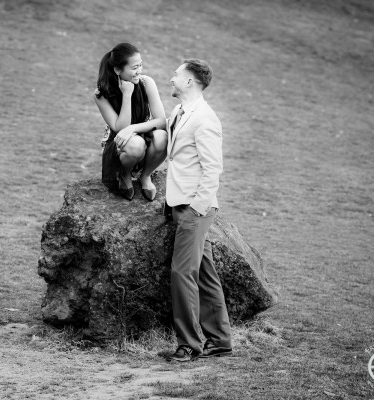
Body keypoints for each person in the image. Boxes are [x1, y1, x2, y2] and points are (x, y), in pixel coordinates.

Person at [165, 59, 232, 362]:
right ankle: (219, 341)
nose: (172, 78)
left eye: (177, 74)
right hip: (179, 204)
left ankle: (189, 344)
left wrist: (196, 207)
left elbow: (212, 169)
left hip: (194, 208)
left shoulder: (205, 118)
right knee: (204, 274)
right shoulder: (179, 112)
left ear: (190, 81)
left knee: (182, 273)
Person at [94, 43, 167, 201]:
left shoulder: (146, 83)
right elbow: (120, 128)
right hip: (119, 140)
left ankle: (145, 176)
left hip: (141, 131)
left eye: (140, 65)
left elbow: (161, 121)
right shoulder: (102, 93)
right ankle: (125, 175)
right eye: (134, 67)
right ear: (118, 70)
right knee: (136, 144)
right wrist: (127, 95)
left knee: (163, 137)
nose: (139, 71)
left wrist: (134, 128)